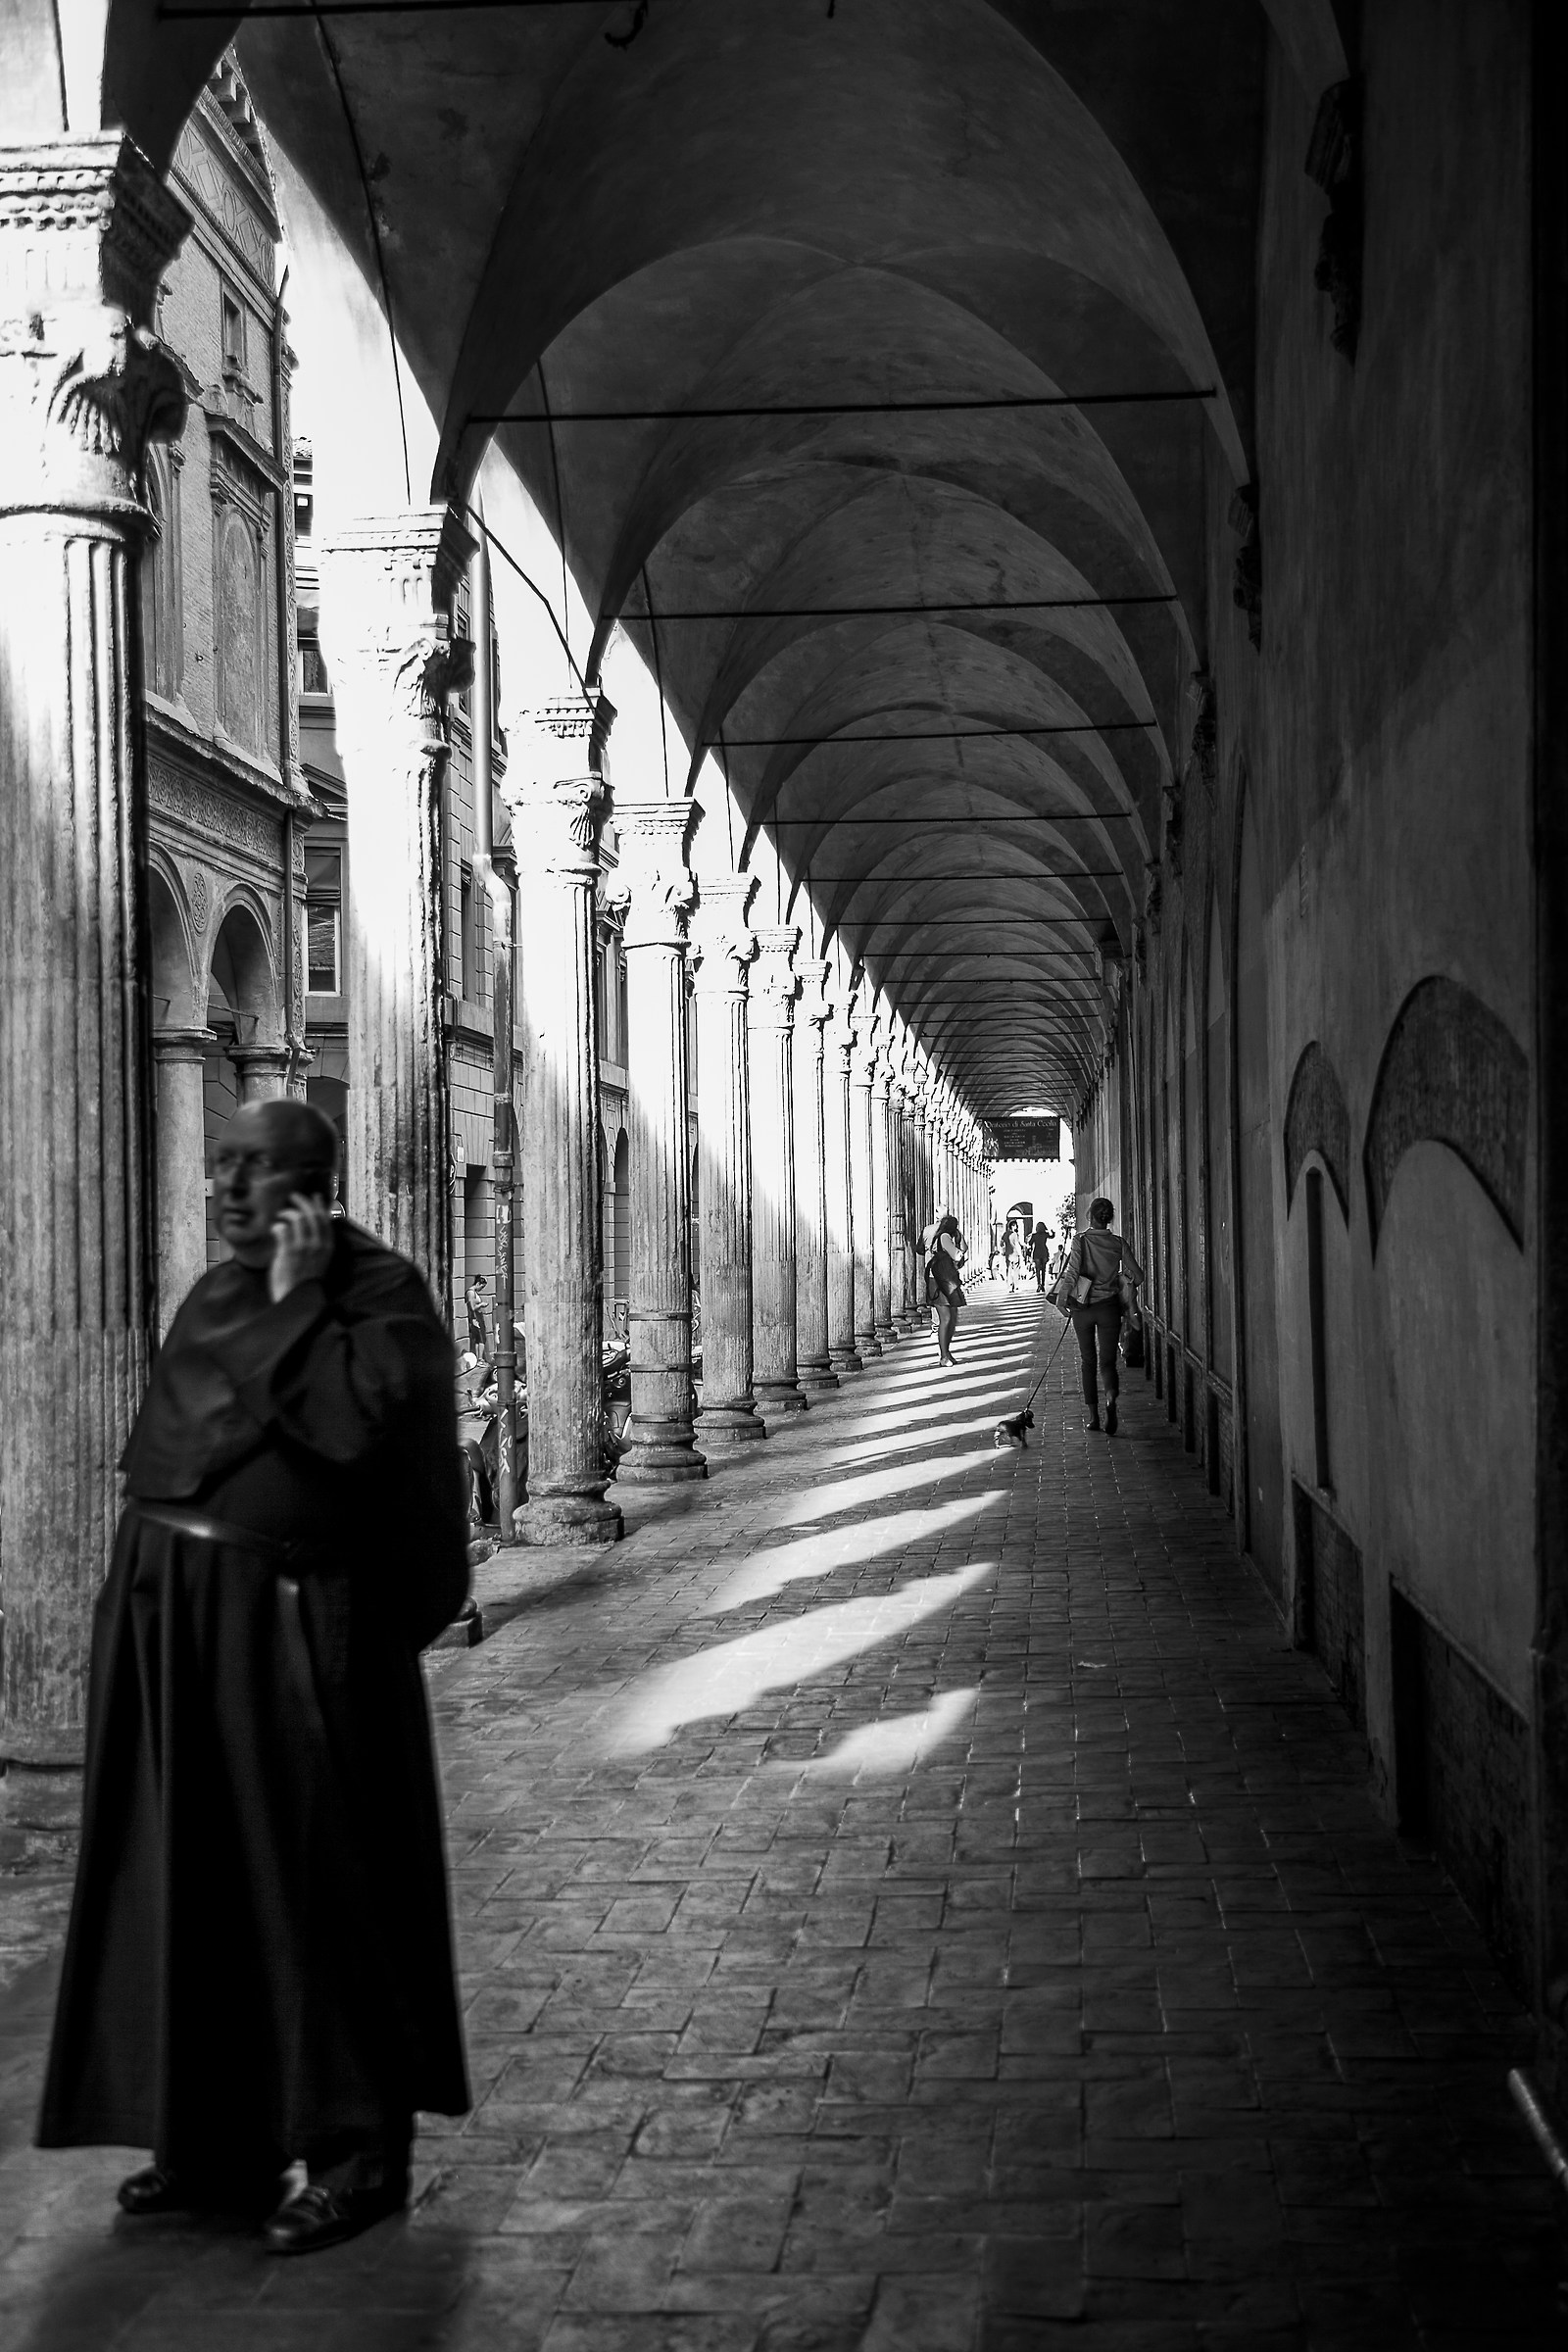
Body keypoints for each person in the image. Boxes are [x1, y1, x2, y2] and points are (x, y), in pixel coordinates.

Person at [37, 1098, 470, 2254]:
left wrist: (295, 1304)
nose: (226, 1189)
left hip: (290, 1628)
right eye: (219, 1166)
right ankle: (213, 2136)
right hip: (173, 1621)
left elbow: (364, 1432)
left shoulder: (377, 1294)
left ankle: (356, 2149)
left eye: (256, 1169)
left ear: (314, 1181)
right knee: (185, 1871)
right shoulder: (208, 1290)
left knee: (315, 1879)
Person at [1055, 1195, 1143, 1436]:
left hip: (1083, 1309)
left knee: (1088, 1361)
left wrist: (1062, 1299)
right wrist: (1120, 1280)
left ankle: (1094, 1418)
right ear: (1109, 1218)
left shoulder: (1080, 1241)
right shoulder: (1118, 1243)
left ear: (1090, 1217)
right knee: (1107, 1362)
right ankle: (1111, 1399)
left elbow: (1072, 1273)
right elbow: (1139, 1276)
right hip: (1109, 1309)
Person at [931, 1212, 968, 1365]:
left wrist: (960, 1237)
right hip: (940, 1282)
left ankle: (947, 1352)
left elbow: (964, 1248)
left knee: (952, 1318)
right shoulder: (945, 1237)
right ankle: (943, 1356)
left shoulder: (947, 1236)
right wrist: (957, 1239)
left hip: (947, 1280)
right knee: (946, 1318)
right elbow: (957, 1255)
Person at [465, 1270, 491, 1359]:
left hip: (477, 1318)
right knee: (481, 1338)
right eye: (482, 1287)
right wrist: (481, 1305)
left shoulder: (474, 1292)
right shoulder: (471, 1293)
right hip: (475, 1319)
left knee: (478, 1339)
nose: (481, 1289)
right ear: (478, 1283)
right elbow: (472, 1307)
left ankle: (478, 1357)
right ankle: (479, 1358)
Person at [1030, 1220, 1053, 1292]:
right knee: (1043, 1269)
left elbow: (1030, 1243)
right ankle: (1042, 1285)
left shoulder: (1034, 1235)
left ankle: (1038, 1284)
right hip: (1044, 1252)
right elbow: (1052, 1236)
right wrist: (1053, 1232)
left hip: (1036, 1253)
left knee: (1037, 1270)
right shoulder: (1045, 1234)